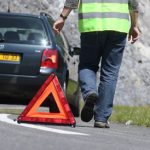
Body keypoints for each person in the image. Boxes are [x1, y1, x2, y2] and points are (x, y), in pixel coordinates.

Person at [53, 0, 140, 128]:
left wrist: (62, 17)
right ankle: (101, 118)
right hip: (118, 27)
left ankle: (89, 92)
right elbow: (133, 3)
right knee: (110, 72)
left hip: (91, 26)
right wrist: (134, 25)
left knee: (87, 65)